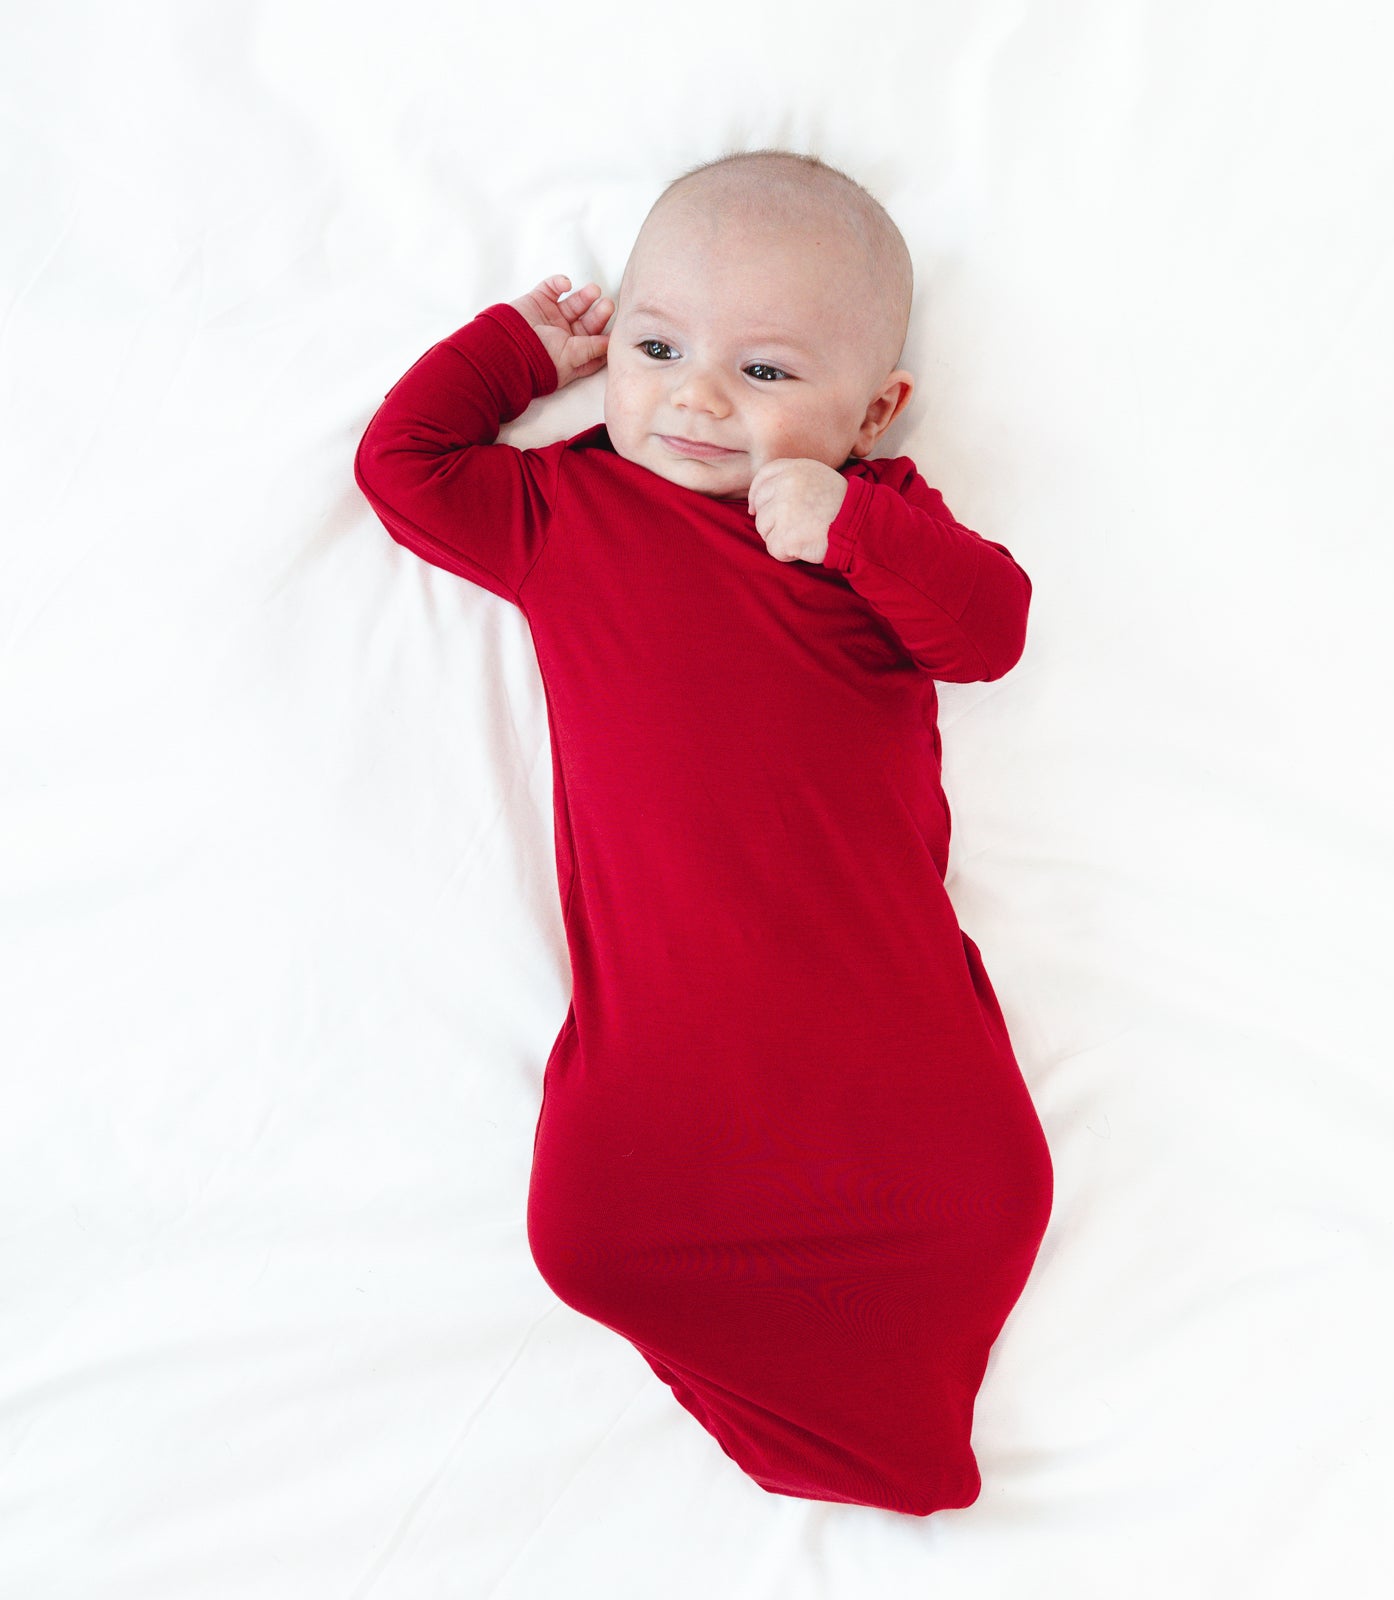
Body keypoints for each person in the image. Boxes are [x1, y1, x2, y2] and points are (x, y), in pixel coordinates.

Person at [353, 148, 1053, 1516]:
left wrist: (854, 529)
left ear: (877, 412)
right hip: (666, 1051)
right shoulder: (570, 514)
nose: (697, 394)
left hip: (880, 1026)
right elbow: (405, 469)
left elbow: (993, 635)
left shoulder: (881, 530)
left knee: (977, 1206)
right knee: (589, 1238)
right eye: (659, 345)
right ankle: (817, 1427)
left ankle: (900, 1436)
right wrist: (519, 352)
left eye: (768, 372)